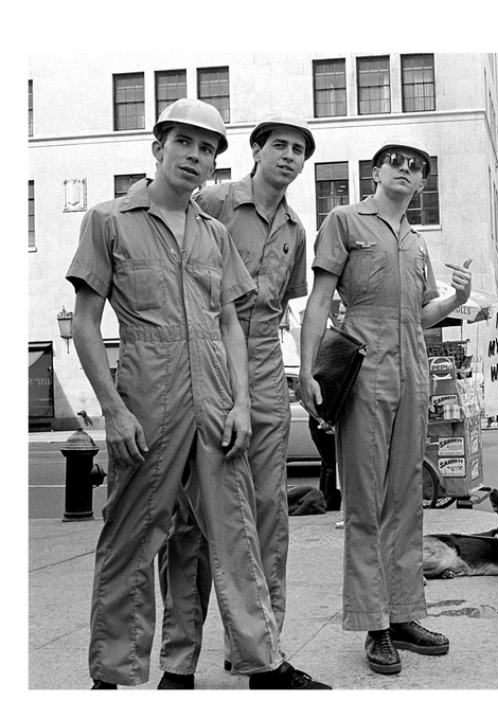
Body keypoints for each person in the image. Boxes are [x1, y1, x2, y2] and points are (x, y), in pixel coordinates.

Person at [67, 99, 328, 690]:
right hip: (146, 388)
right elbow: (85, 323)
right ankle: (112, 677)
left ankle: (263, 663)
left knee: (235, 530)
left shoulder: (213, 233)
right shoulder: (110, 219)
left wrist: (239, 402)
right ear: (158, 147)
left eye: (207, 148)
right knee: (132, 533)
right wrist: (113, 408)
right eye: (184, 142)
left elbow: (233, 321)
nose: (195, 155)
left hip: (214, 393)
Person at [155, 111, 317, 686]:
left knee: (269, 518)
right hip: (206, 361)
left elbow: (283, 309)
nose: (288, 156)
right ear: (254, 149)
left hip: (267, 371)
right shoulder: (217, 202)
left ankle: (260, 655)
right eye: (279, 145)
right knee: (194, 521)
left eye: (299, 149)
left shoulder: (297, 229)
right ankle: (179, 662)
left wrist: (307, 372)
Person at [299, 137, 472, 675]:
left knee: (407, 499)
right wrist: (305, 369)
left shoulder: (418, 243)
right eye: (396, 163)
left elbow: (422, 313)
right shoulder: (346, 221)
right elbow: (322, 299)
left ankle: (403, 613)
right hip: (366, 364)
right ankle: (373, 623)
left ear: (423, 183)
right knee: (366, 503)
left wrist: (457, 301)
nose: (406, 171)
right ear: (376, 172)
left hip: (413, 367)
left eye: (417, 167)